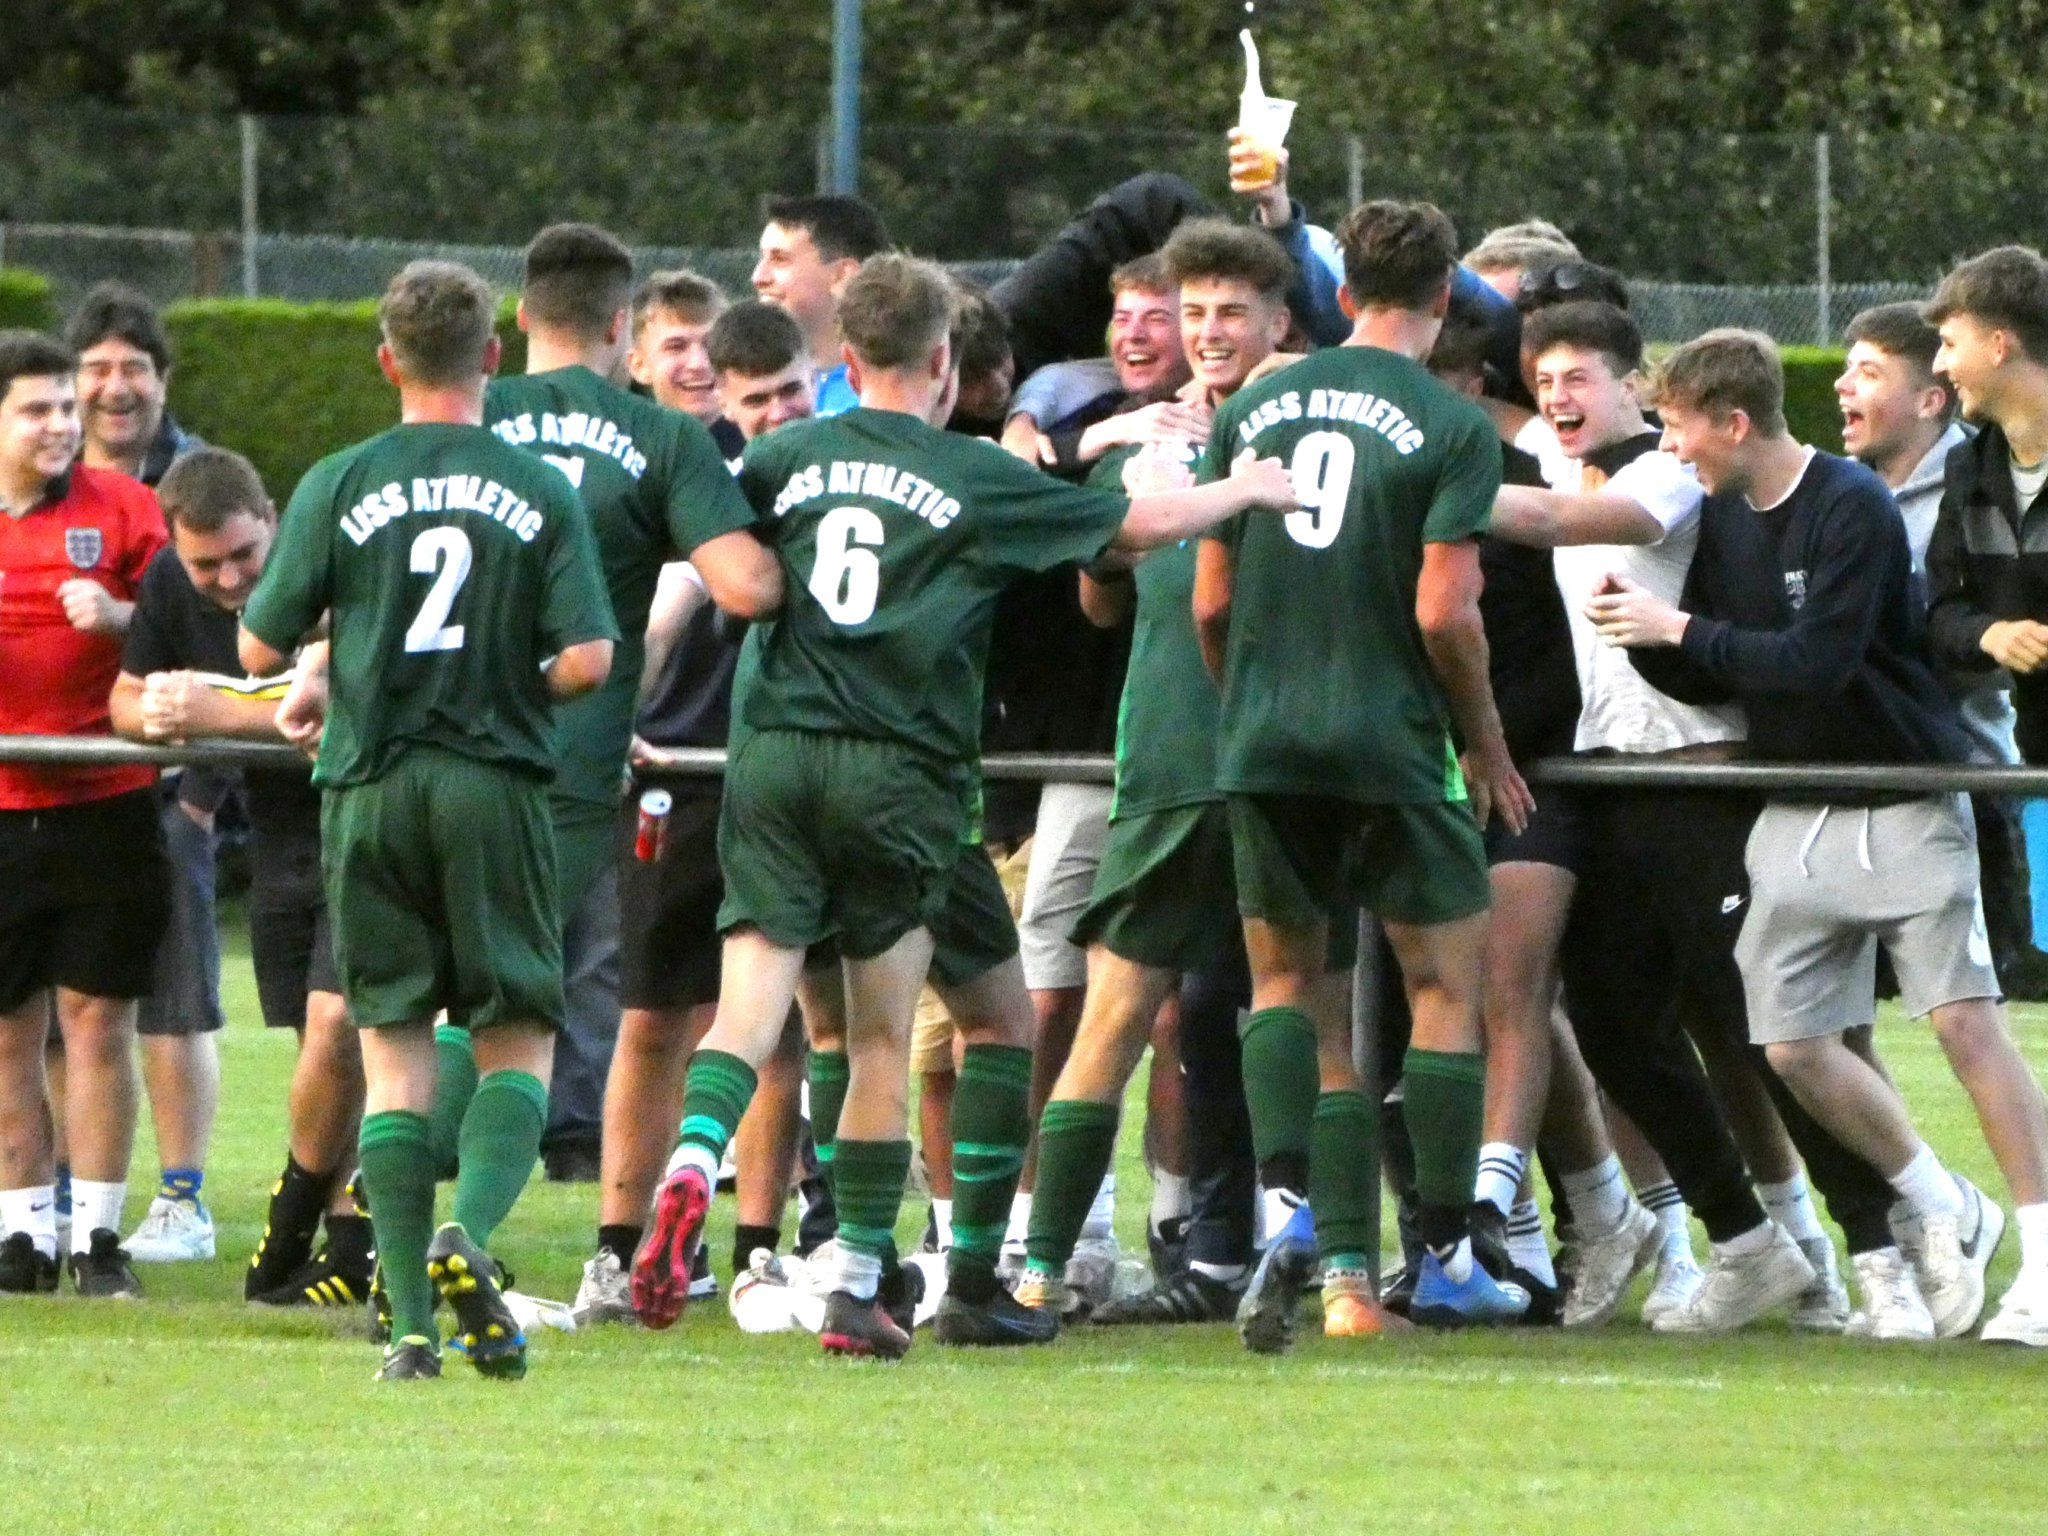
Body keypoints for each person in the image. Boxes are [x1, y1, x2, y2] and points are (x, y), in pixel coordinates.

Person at [630, 253, 1299, 1358]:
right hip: (902, 773)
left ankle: (699, 1165)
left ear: (846, 361)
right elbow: (1130, 530)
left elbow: (711, 564)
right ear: (944, 362)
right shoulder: (969, 472)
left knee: (777, 1008)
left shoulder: (785, 454)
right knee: (900, 1035)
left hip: (773, 760)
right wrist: (1243, 488)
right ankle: (861, 1286)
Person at [1592, 327, 2048, 1345]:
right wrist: (1644, 636)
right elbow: (1721, 669)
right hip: (1795, 806)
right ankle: (1940, 1199)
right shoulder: (1719, 520)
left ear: (1733, 422)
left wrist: (1677, 634)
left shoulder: (1849, 503)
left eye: (1676, 432)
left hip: (1895, 791)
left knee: (1965, 1026)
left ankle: (2042, 1258)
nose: (1671, 454)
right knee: (1789, 1045)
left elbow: (1815, 662)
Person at [238, 260, 630, 1382]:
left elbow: (258, 650)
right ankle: (472, 1235)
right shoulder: (535, 483)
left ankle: (408, 1327)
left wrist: (331, 664)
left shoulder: (338, 478)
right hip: (492, 784)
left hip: (367, 791)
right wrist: (511, 684)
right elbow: (592, 660)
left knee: (396, 1055)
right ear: (493, 359)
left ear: (385, 361)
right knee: (516, 1031)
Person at [1191, 199, 1535, 1346]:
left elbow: (1211, 597)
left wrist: (1244, 704)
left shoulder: (1248, 404)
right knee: (1443, 989)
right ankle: (1438, 1256)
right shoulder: (1451, 425)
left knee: (1291, 989)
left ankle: (1300, 1220)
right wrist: (1483, 745)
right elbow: (1446, 613)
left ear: (1341, 296)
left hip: (1267, 739)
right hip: (1393, 742)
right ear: (1443, 301)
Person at [1017, 221, 1298, 1327]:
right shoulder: (1156, 447)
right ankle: (1052, 1268)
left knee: (1261, 1006)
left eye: (1229, 311)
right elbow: (1097, 592)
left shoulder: (1184, 447)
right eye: (1194, 313)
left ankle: (1303, 1261)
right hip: (1193, 759)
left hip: (1242, 759)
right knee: (1158, 1007)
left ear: (1278, 321)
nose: (1206, 331)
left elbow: (1104, 583)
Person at [469, 224, 781, 1191]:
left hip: (418, 751)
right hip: (564, 759)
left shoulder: (461, 414)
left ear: (521, 315)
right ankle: (458, 1235)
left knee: (419, 1013)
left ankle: (358, 1224)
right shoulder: (661, 437)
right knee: (520, 1007)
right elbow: (746, 591)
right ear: (620, 325)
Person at [570, 295, 823, 1328]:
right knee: (658, 1018)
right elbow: (663, 610)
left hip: (774, 771)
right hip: (685, 769)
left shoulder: (801, 464)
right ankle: (627, 1250)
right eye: (754, 397)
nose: (772, 413)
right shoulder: (692, 473)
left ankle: (756, 1246)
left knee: (774, 1030)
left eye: (787, 390)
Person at [108, 446, 373, 1304]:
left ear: (273, 520)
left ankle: (303, 1225)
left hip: (359, 824)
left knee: (342, 1032)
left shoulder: (333, 557)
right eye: (206, 564)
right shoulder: (166, 584)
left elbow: (336, 697)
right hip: (277, 840)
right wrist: (158, 711)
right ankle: (342, 1240)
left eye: (244, 556)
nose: (228, 579)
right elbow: (125, 697)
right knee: (314, 1047)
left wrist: (214, 711)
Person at [0, 329, 169, 1299]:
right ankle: (20, 1234)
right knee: (7, 1030)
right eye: (36, 408)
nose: (62, 423)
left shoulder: (128, 510)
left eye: (65, 405)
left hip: (104, 801)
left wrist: (123, 620)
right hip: (0, 809)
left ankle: (98, 1238)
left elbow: (207, 619)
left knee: (100, 1019)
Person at [66, 282, 221, 1263]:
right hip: (51, 787)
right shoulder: (34, 476)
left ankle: (182, 1199)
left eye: (134, 369)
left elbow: (238, 633)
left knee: (173, 997)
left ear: (163, 381)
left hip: (165, 786)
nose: (115, 390)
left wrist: (204, 797)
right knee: (59, 1009)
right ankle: (49, 1195)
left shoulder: (201, 482)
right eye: (97, 372)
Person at [1837, 303, 2037, 990]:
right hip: (1851, 787)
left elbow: (1980, 636)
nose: (1842, 387)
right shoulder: (1834, 493)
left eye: (1867, 372)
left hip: (1968, 787)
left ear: (1929, 400)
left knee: (1984, 1006)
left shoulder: (1983, 483)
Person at [751, 194, 892, 417]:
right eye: (761, 259)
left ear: (843, 274)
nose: (758, 277)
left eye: (779, 260)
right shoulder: (745, 382)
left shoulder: (892, 387)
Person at [625, 270, 733, 450]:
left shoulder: (762, 452)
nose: (699, 364)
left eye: (713, 343)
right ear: (639, 365)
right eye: (676, 347)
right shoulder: (624, 455)